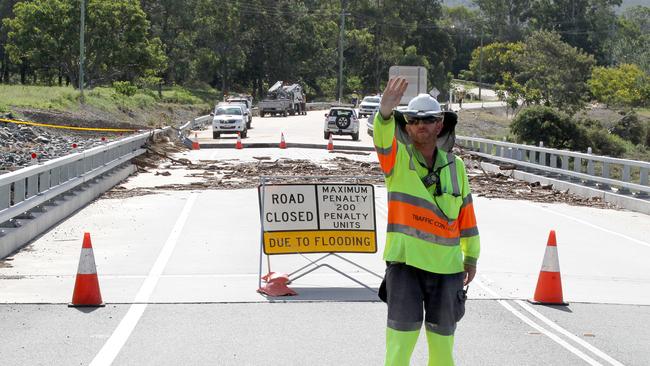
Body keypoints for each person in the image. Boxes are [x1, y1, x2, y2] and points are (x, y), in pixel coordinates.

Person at [374, 77, 480, 366]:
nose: (421, 124)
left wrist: (470, 257)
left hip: (447, 271)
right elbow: (382, 141)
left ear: (440, 124)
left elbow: (466, 217)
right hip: (405, 266)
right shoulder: (396, 161)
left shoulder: (456, 167)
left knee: (443, 350)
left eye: (429, 119)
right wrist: (384, 113)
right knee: (400, 347)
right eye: (414, 119)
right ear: (407, 126)